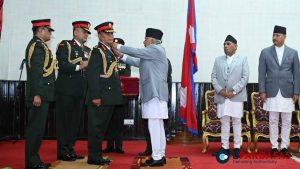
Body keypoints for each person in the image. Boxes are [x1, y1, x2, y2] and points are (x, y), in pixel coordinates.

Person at [112, 28, 168, 167]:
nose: (143, 42)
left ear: (151, 40)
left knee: (154, 125)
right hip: (155, 94)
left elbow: (136, 52)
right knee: (158, 125)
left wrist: (117, 45)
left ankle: (157, 157)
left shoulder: (156, 49)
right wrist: (120, 56)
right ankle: (160, 155)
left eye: (145, 39)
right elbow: (137, 61)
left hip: (154, 94)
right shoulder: (152, 54)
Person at [258, 25, 300, 157]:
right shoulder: (265, 52)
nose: (274, 37)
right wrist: (262, 91)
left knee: (287, 120)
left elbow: (297, 74)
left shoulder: (293, 53)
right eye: (273, 35)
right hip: (271, 91)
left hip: (288, 91)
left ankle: (284, 147)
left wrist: (297, 92)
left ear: (284, 37)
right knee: (273, 120)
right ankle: (274, 146)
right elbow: (261, 74)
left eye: (277, 35)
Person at [86, 21, 123, 166]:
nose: (111, 36)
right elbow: (92, 75)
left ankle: (97, 155)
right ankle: (94, 156)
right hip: (101, 96)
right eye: (107, 34)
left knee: (101, 129)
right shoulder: (97, 51)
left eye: (112, 33)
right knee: (96, 128)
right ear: (100, 36)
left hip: (109, 96)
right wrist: (95, 96)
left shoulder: (109, 51)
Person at [55, 21, 91, 161]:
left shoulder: (87, 50)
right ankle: (63, 151)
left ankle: (69, 149)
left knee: (75, 122)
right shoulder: (66, 45)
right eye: (84, 32)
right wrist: (79, 67)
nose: (86, 35)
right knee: (64, 122)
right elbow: (62, 65)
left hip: (80, 91)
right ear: (75, 32)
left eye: (87, 32)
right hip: (66, 90)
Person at [211, 35, 249, 159]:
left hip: (236, 96)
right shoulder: (218, 60)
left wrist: (233, 92)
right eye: (224, 44)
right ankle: (225, 147)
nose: (225, 46)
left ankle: (237, 147)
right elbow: (213, 77)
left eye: (228, 44)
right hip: (222, 96)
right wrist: (220, 91)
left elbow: (245, 78)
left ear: (235, 46)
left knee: (237, 121)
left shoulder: (242, 59)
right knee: (224, 121)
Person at [25, 19, 56, 169]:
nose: (50, 33)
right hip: (39, 95)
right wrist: (37, 94)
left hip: (44, 93)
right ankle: (32, 163)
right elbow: (36, 72)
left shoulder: (41, 46)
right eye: (49, 30)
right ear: (41, 30)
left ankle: (34, 161)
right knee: (35, 130)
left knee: (38, 130)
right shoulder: (36, 46)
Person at [103, 38, 131, 154]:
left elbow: (126, 74)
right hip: (109, 96)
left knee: (119, 122)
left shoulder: (124, 60)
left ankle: (119, 146)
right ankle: (109, 145)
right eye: (114, 46)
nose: (115, 48)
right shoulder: (107, 58)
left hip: (121, 96)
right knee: (108, 122)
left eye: (117, 46)